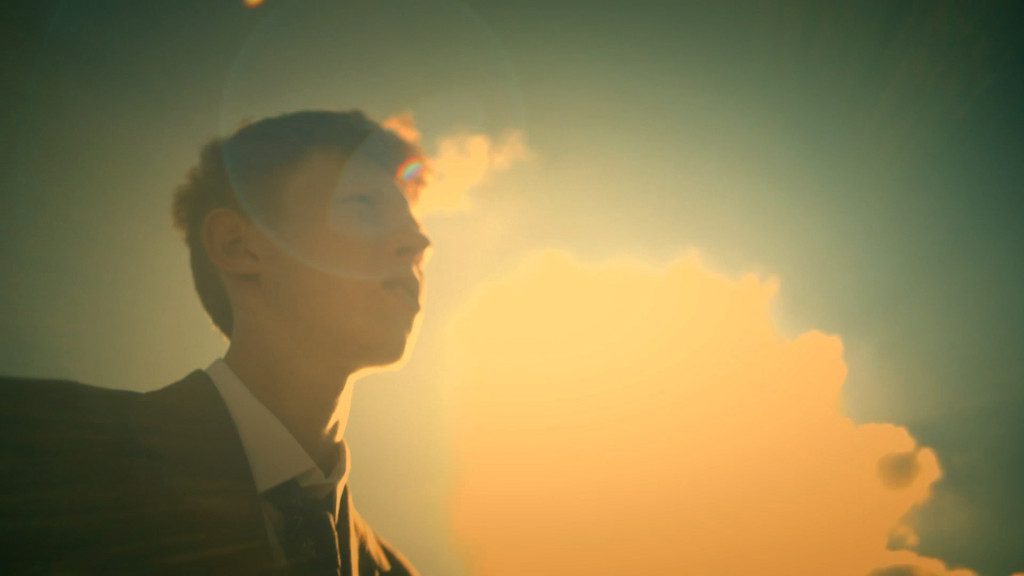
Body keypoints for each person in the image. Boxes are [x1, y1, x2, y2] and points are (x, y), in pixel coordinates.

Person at [0, 110, 430, 575]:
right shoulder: (33, 446)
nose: (418, 239)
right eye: (364, 205)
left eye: (410, 218)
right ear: (237, 246)